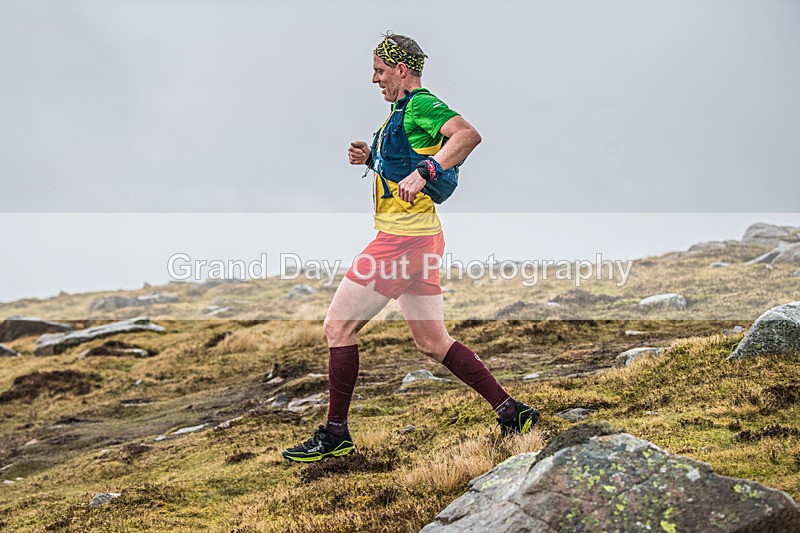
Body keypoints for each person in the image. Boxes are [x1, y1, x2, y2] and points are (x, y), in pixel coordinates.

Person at [282, 33, 540, 463]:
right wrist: (370, 159)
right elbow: (403, 164)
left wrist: (430, 169)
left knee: (337, 328)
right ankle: (512, 411)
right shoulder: (399, 115)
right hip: (423, 239)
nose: (374, 79)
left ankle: (335, 433)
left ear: (401, 70)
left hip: (400, 242)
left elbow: (468, 135)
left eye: (379, 70)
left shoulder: (421, 103)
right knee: (433, 341)